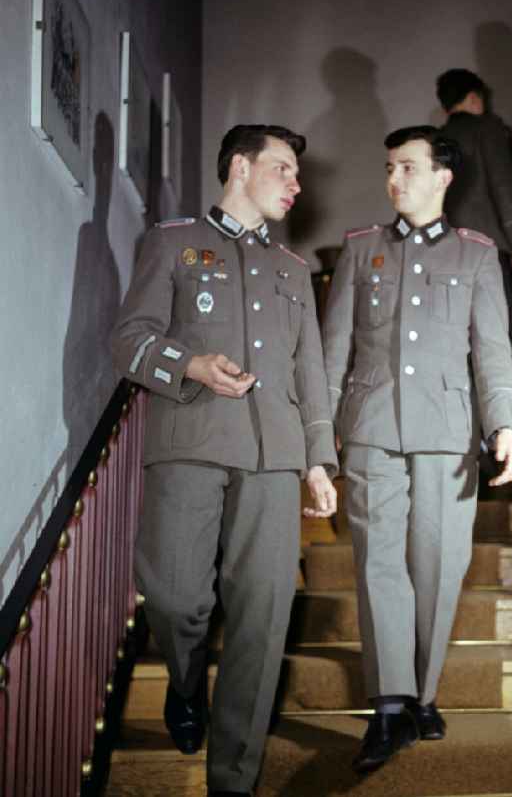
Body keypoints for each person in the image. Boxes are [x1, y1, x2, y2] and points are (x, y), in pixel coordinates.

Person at [110, 124, 338, 797]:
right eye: (284, 169)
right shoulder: (174, 242)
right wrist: (192, 363)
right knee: (178, 598)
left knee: (264, 617)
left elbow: (312, 376)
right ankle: (185, 684)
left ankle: (232, 781)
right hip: (192, 444)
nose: (297, 184)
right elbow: (129, 339)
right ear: (240, 168)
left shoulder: (295, 271)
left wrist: (319, 462)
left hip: (273, 457)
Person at [322, 125, 512, 773]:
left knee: (437, 568)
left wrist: (507, 426)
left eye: (408, 167)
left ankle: (424, 694)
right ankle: (388, 706)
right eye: (389, 167)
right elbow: (332, 354)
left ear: (443, 177)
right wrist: (318, 440)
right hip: (372, 429)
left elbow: (492, 350)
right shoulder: (359, 250)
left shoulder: (475, 256)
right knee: (379, 566)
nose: (394, 180)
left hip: (447, 434)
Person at [437, 69, 512, 355]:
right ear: (474, 98)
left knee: (459, 334)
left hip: (445, 248)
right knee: (499, 331)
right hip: (486, 245)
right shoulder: (488, 128)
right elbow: (504, 186)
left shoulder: (435, 140)